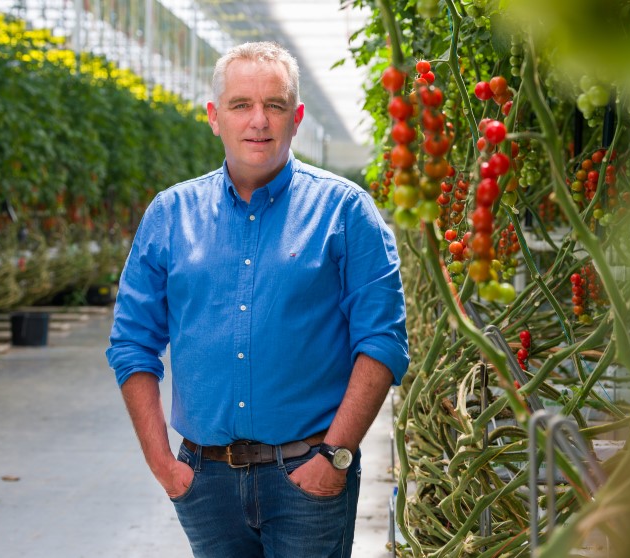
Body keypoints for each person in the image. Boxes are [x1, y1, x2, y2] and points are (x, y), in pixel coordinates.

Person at [106, 41, 409, 558]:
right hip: (205, 482)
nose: (258, 121)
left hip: (308, 476)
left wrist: (334, 457)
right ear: (214, 116)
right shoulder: (170, 214)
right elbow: (132, 343)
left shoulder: (345, 211)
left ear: (297, 117)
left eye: (275, 105)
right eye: (241, 104)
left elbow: (382, 342)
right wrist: (163, 464)